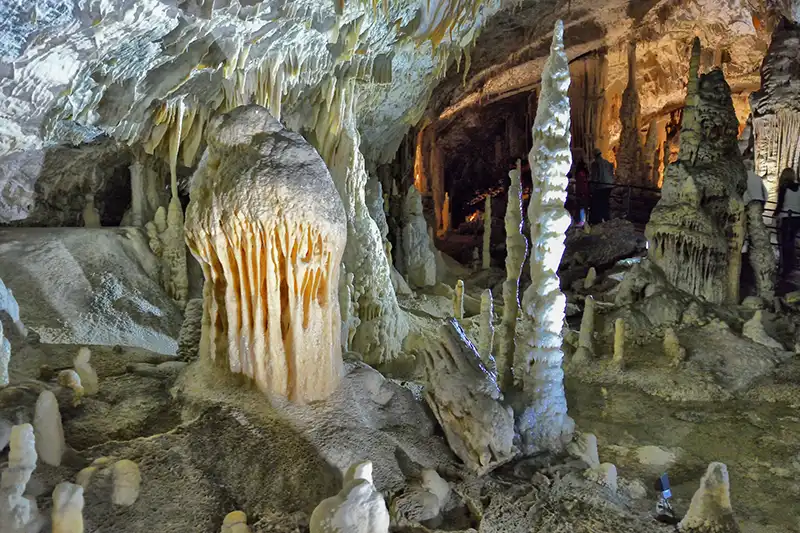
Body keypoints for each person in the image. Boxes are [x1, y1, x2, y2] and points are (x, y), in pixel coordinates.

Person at [774, 167, 800, 277]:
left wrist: (774, 214)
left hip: (787, 217)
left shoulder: (784, 187)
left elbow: (780, 204)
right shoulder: (799, 187)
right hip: (798, 217)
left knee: (785, 243)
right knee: (792, 241)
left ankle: (786, 268)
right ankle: (792, 265)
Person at [589, 148, 614, 224]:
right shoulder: (606, 162)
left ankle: (597, 219)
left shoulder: (595, 164)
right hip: (609, 186)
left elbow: (595, 177)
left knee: (597, 203)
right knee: (605, 202)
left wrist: (591, 188)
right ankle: (606, 217)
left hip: (601, 186)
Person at [568, 152, 591, 225]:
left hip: (581, 191)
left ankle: (581, 221)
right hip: (584, 191)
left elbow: (580, 184)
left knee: (580, 206)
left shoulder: (580, 174)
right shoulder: (584, 173)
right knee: (582, 206)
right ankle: (583, 221)